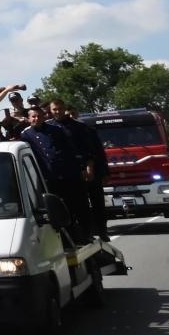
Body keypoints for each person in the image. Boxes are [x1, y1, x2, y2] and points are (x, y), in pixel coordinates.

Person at [18, 104, 92, 242]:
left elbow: (70, 149)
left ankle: (86, 234)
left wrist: (81, 167)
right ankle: (67, 238)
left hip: (67, 173)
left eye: (39, 116)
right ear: (28, 119)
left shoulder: (56, 130)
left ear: (44, 117)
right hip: (47, 178)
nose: (36, 119)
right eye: (33, 117)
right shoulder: (25, 134)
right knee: (58, 209)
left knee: (77, 205)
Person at [47, 97, 110, 240]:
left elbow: (92, 150)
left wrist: (91, 167)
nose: (57, 112)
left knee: (96, 200)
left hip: (85, 167)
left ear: (64, 109)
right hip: (67, 172)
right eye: (54, 109)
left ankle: (101, 231)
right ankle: (79, 233)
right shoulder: (48, 128)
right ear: (50, 111)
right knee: (75, 204)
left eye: (60, 109)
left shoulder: (80, 127)